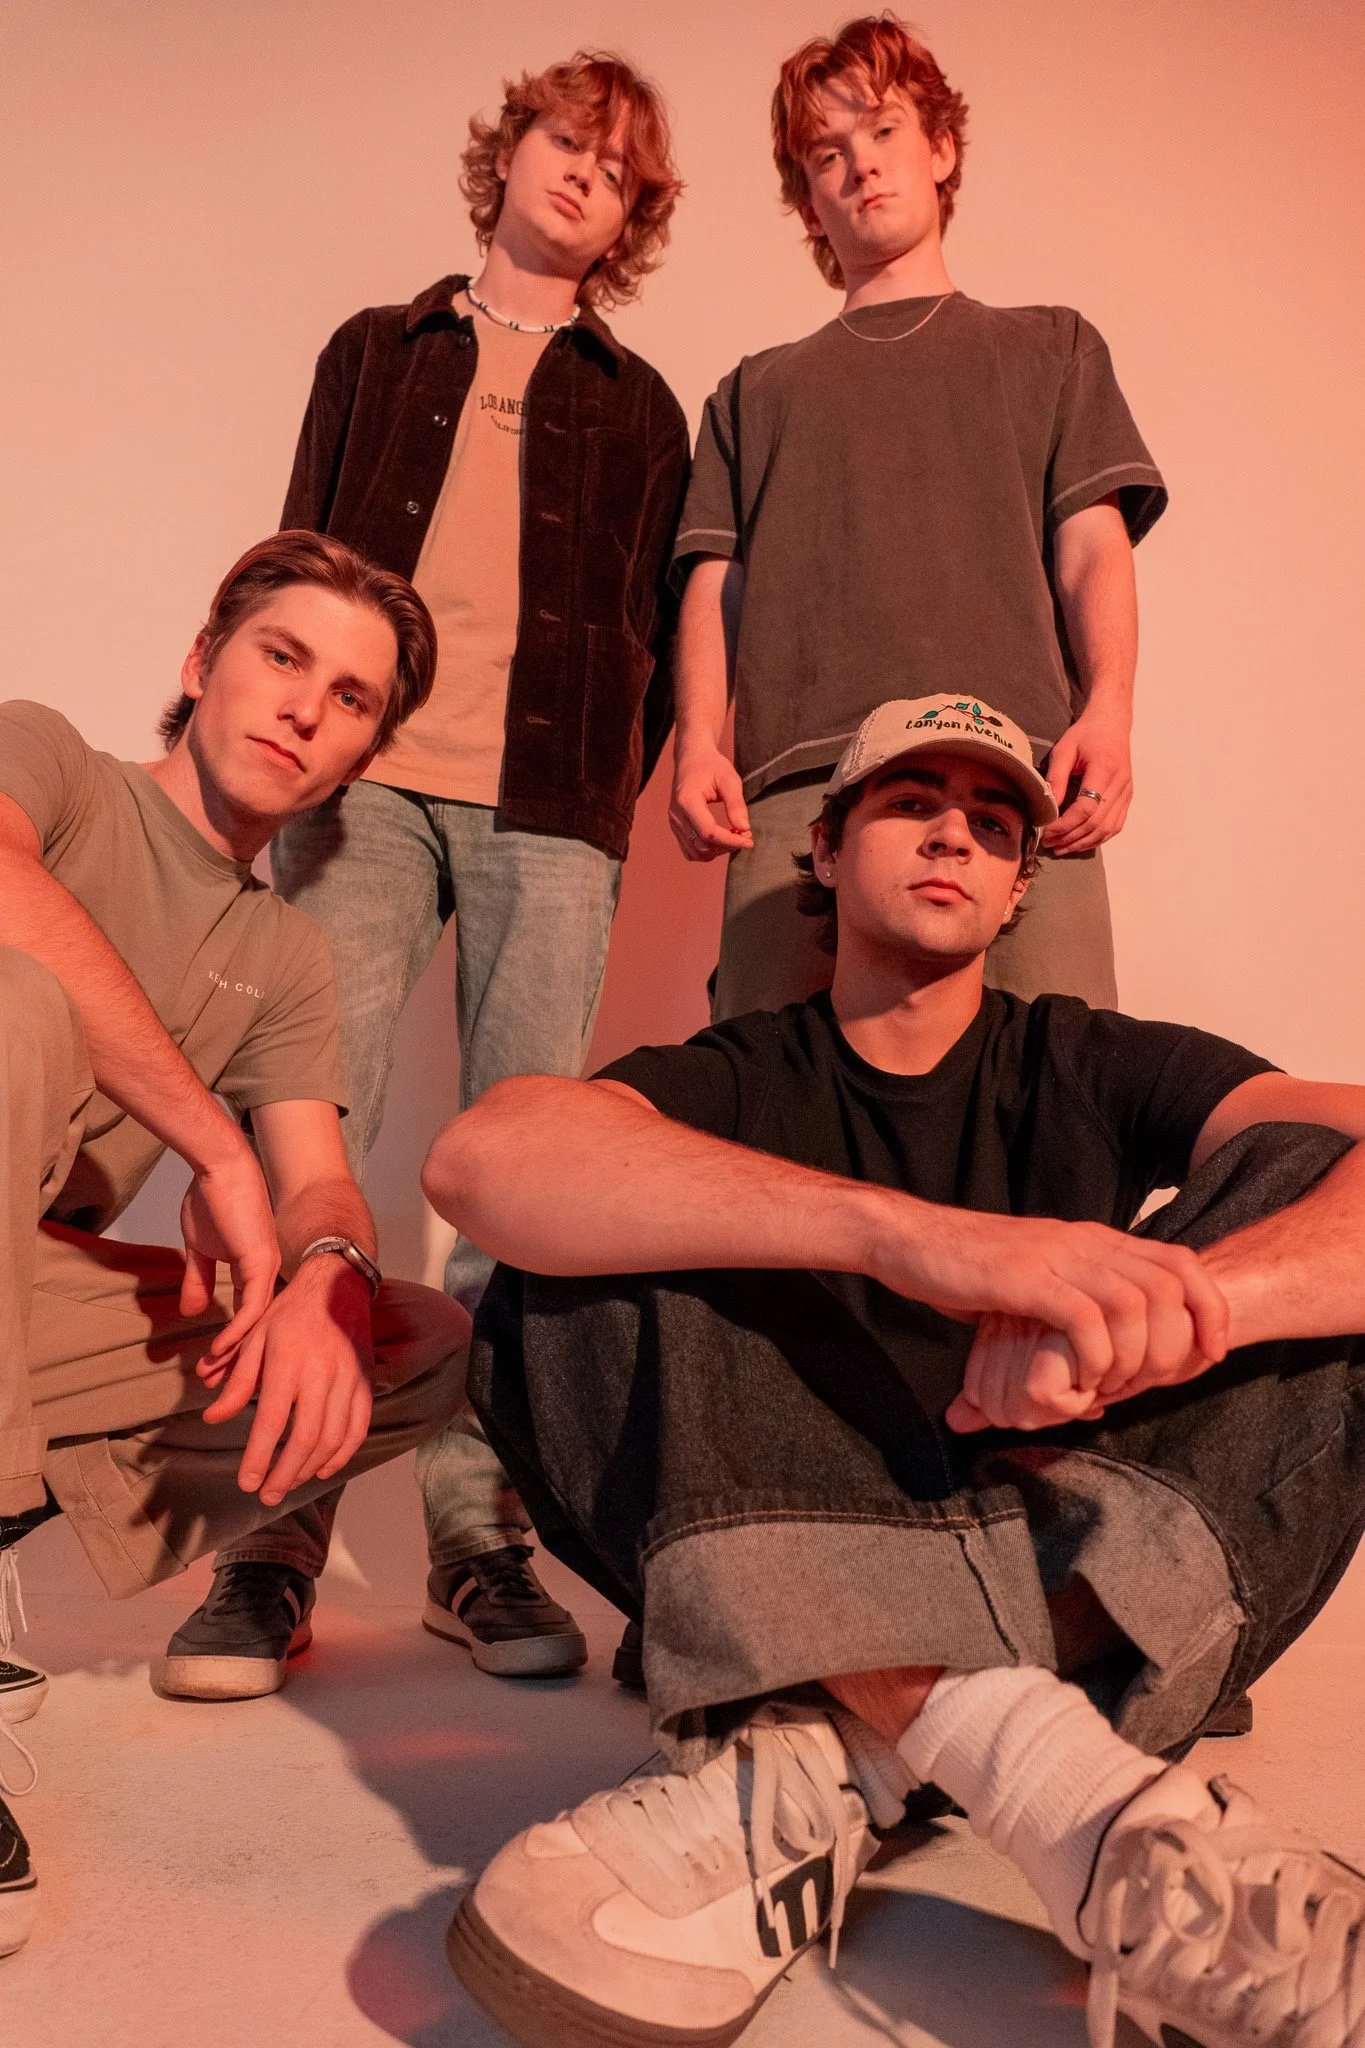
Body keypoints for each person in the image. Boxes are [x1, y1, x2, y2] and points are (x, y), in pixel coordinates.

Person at [424, 694, 1365, 2048]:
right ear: (822, 848)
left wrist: (1176, 1308)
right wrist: (927, 1245)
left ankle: (811, 1748)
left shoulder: (1086, 1059)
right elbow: (479, 1161)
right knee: (573, 1229)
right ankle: (1089, 1815)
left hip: (1078, 1577)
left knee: (1308, 1186)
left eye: (992, 827)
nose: (953, 837)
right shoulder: (745, 1071)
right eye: (912, 803)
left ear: (1017, 889)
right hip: (793, 1535)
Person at [260, 49, 691, 1683]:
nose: (583, 171)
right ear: (508, 153)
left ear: (631, 215)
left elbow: (652, 639)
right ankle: (274, 1528)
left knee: (519, 1184)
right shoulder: (379, 351)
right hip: (363, 786)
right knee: (320, 1143)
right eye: (563, 140)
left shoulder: (642, 408)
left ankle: (475, 1536)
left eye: (617, 166)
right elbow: (296, 564)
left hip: (547, 811)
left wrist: (592, 800)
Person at [0, 532, 470, 1956]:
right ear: (202, 664)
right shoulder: (56, 766)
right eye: (282, 658)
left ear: (358, 756)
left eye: (348, 699)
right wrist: (211, 1143)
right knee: (14, 998)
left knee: (411, 1335)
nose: (304, 707)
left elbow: (320, 1185)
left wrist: (325, 1268)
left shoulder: (284, 957)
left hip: (18, 1299)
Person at [669, 14, 1165, 1021]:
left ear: (941, 147)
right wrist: (695, 742)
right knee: (770, 1116)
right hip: (800, 786)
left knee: (1060, 1090)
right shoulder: (753, 393)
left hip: (1013, 773)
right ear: (807, 203)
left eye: (884, 132)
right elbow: (712, 585)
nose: (861, 168)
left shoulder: (1051, 350)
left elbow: (1090, 552)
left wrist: (1108, 710)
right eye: (827, 155)